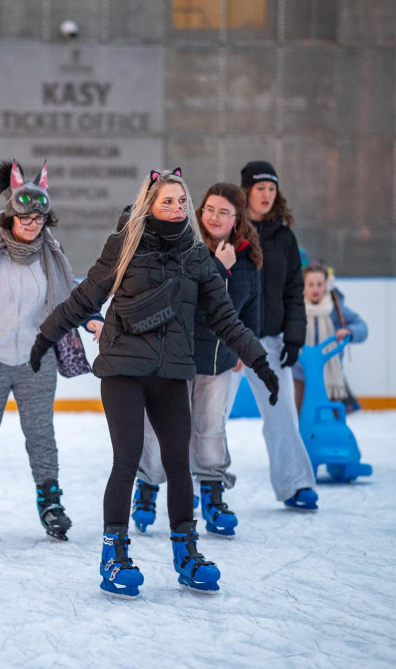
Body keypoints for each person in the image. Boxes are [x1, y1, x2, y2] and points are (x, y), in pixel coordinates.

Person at [34, 168, 279, 598]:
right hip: (124, 370)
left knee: (178, 462)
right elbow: (85, 297)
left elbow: (225, 318)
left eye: (182, 201)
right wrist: (44, 339)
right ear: (149, 203)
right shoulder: (125, 244)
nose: (176, 208)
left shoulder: (195, 255)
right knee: (127, 459)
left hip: (171, 372)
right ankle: (114, 555)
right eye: (167, 201)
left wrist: (259, 360)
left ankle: (186, 553)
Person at [0, 160, 101, 542]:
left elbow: (71, 296)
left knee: (41, 435)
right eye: (25, 218)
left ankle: (51, 504)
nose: (32, 225)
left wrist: (91, 318)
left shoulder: (51, 254)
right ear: (11, 215)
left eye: (39, 219)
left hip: (34, 360)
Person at [132, 182, 262, 539]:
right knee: (161, 431)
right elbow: (183, 300)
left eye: (225, 212)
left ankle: (212, 495)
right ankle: (147, 487)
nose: (215, 217)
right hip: (177, 359)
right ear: (200, 212)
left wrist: (244, 348)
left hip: (219, 362)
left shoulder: (248, 258)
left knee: (210, 430)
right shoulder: (183, 247)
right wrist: (218, 267)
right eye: (210, 209)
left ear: (237, 219)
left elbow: (251, 310)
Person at [238, 160, 319, 511]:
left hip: (270, 340)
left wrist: (293, 338)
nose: (267, 195)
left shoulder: (284, 238)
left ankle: (296, 484)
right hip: (228, 341)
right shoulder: (231, 232)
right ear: (246, 192)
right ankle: (198, 490)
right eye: (260, 189)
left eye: (272, 189)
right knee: (205, 417)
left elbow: (293, 290)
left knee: (283, 412)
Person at [294, 263, 369, 413]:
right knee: (299, 412)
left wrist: (349, 330)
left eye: (319, 284)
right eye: (311, 284)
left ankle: (333, 433)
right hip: (300, 371)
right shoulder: (295, 308)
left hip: (330, 371)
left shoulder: (336, 309)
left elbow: (362, 327)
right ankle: (298, 436)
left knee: (333, 412)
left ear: (326, 285)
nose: (315, 289)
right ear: (304, 286)